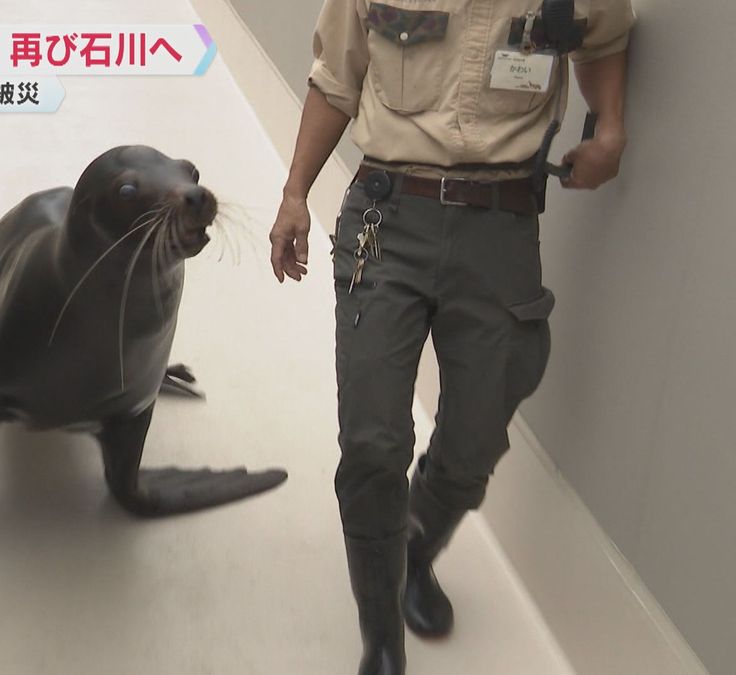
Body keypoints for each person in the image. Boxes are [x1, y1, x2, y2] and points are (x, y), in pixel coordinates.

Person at [269, 1, 635, 673]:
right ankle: (381, 632)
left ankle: (412, 546)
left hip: (502, 228)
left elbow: (604, 38)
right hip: (388, 216)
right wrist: (295, 192)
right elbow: (336, 79)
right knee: (373, 441)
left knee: (475, 439)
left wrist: (610, 127)